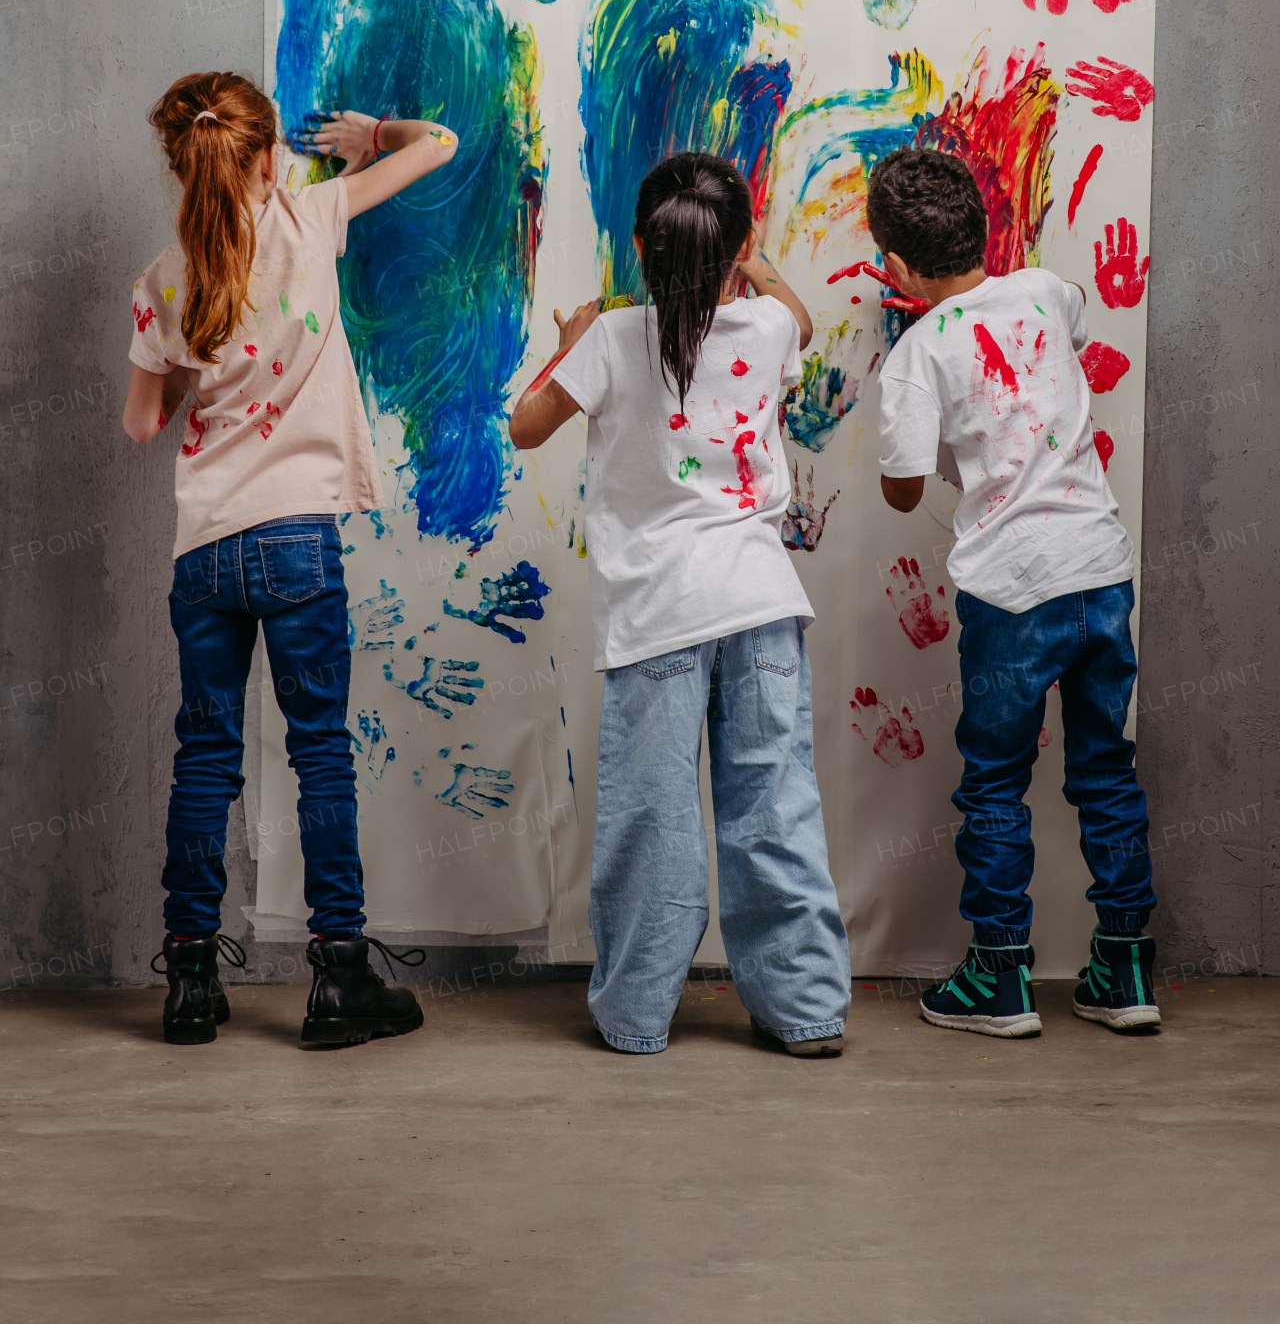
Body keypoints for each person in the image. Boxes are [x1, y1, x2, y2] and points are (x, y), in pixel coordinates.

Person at [123, 74, 457, 1048]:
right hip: (297, 540)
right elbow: (437, 139)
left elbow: (144, 425)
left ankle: (189, 978)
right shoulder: (310, 220)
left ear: (182, 165)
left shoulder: (165, 279)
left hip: (205, 549)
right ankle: (338, 976)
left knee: (206, 757)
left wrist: (197, 364)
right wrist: (370, 133)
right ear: (269, 158)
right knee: (318, 754)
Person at [509, 151, 851, 1056]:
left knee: (652, 822)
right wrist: (754, 259)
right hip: (763, 605)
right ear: (737, 247)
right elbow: (803, 318)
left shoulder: (612, 340)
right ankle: (807, 1008)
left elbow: (525, 422)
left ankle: (634, 1016)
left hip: (660, 616)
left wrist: (572, 333)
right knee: (774, 808)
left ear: (639, 246)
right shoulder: (769, 326)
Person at [869, 146, 1159, 1038]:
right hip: (1100, 571)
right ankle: (1125, 973)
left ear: (899, 268)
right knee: (1106, 768)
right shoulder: (1046, 289)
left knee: (995, 783)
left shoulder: (918, 353)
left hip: (1011, 588)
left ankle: (999, 979)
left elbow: (905, 484)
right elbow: (1065, 326)